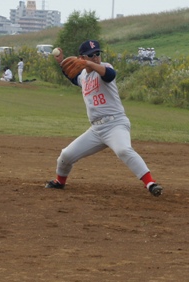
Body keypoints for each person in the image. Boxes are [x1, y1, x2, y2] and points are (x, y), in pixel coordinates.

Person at [45, 40, 163, 197]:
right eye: (91, 55)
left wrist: (89, 63)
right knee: (66, 155)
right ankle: (60, 182)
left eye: (97, 54)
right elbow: (74, 77)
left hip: (115, 124)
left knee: (123, 150)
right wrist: (62, 63)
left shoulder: (105, 68)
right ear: (82, 57)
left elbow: (109, 75)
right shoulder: (84, 77)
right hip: (96, 130)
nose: (95, 58)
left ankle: (151, 183)